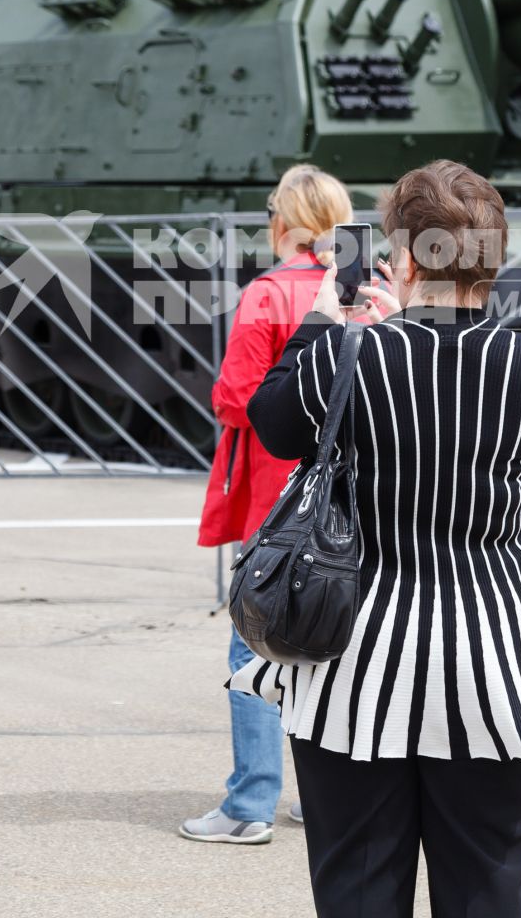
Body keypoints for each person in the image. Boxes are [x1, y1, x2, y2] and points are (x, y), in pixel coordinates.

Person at [234, 159, 521, 918]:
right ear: (491, 257)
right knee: (487, 885)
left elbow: (270, 420)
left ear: (400, 256)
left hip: (355, 663)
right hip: (489, 659)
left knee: (358, 885)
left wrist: (331, 315)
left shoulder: (351, 354)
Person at [180, 164, 351, 847]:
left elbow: (234, 397)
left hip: (277, 494)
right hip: (352, 492)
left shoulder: (270, 293)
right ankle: (322, 796)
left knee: (255, 635)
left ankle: (251, 802)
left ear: (281, 222)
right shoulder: (363, 289)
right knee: (332, 638)